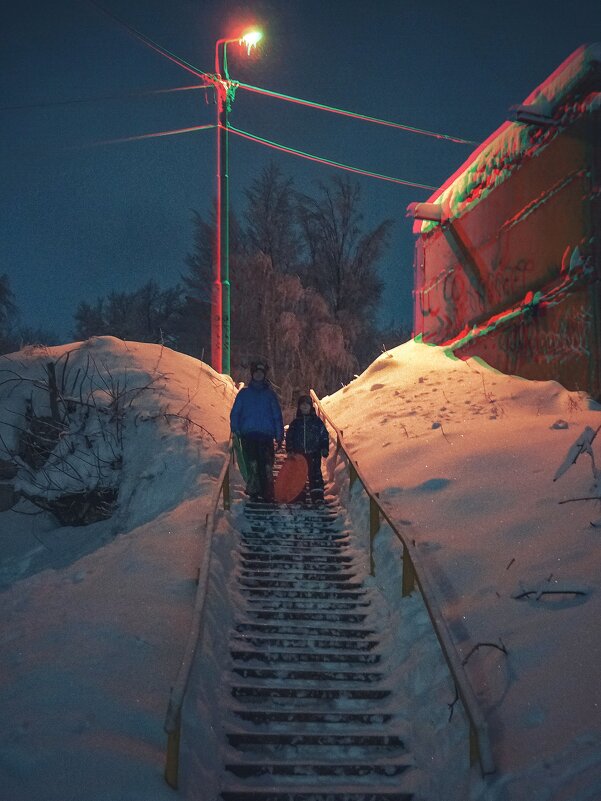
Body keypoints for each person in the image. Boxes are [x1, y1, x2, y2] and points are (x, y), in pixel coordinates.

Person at [230, 360, 284, 502]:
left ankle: (267, 491)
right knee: (252, 463)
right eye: (256, 373)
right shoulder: (244, 394)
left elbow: (277, 416)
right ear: (252, 374)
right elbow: (236, 412)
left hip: (266, 435)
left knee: (266, 464)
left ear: (264, 375)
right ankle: (254, 490)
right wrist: (235, 429)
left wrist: (279, 435)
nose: (259, 375)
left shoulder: (270, 395)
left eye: (261, 373)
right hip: (248, 434)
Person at [285, 393, 329, 504]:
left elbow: (324, 435)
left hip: (314, 452)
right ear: (299, 407)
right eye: (302, 405)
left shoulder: (317, 422)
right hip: (299, 454)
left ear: (311, 407)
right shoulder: (295, 423)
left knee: (315, 475)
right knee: (299, 476)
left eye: (307, 405)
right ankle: (300, 496)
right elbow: (289, 436)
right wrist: (290, 449)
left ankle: (317, 497)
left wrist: (324, 447)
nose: (304, 407)